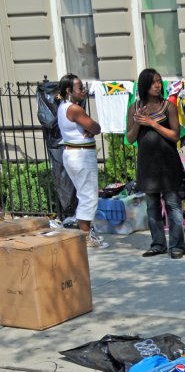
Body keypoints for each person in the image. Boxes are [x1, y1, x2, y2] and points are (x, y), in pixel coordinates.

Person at [126, 68, 185, 259]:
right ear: (145, 85)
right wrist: (138, 123)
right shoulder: (134, 108)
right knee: (152, 205)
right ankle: (158, 244)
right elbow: (129, 137)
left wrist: (153, 124)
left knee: (173, 204)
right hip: (148, 165)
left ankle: (176, 246)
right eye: (153, 82)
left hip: (168, 163)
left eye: (159, 81)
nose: (158, 85)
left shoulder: (168, 107)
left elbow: (175, 135)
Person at [56, 73, 106, 248]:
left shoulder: (63, 106)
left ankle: (86, 233)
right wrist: (93, 128)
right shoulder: (75, 109)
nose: (84, 90)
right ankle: (85, 236)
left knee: (83, 194)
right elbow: (95, 127)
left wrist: (90, 128)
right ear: (69, 90)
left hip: (72, 153)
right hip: (81, 155)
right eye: (80, 88)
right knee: (88, 196)